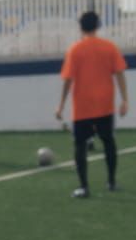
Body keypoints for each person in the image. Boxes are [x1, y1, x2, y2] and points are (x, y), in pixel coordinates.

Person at [55, 11, 128, 198]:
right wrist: (124, 100)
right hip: (105, 104)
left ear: (80, 27)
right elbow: (120, 73)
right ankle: (111, 181)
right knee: (108, 142)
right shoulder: (109, 47)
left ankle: (84, 187)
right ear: (98, 25)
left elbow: (68, 79)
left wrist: (61, 105)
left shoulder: (75, 50)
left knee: (80, 146)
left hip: (83, 107)